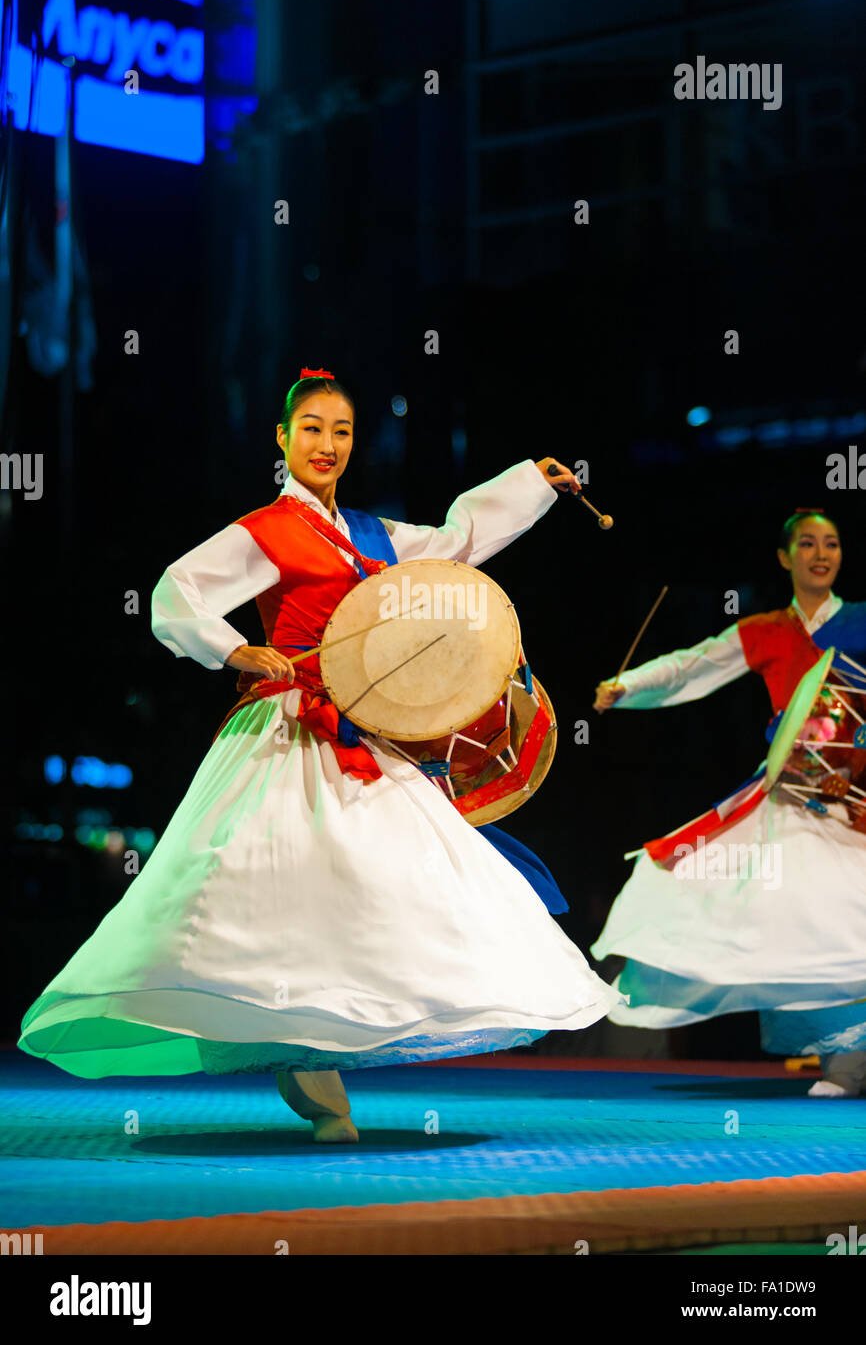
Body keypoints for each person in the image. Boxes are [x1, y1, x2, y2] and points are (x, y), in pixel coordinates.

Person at [19, 367, 625, 1141]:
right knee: (283, 898)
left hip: (364, 730)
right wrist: (236, 649)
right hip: (291, 726)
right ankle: (305, 1062)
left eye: (340, 432)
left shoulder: (374, 536)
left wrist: (531, 485)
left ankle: (337, 1039)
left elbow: (452, 546)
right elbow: (177, 591)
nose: (327, 445)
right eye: (311, 429)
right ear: (282, 439)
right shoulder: (268, 530)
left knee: (396, 885)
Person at [591, 509, 866, 1097]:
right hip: (790, 796)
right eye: (808, 544)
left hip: (856, 796)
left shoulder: (864, 624)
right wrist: (629, 686)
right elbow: (696, 663)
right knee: (799, 920)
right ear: (784, 557)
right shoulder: (767, 629)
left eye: (833, 544)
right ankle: (842, 1060)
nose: (821, 554)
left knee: (848, 914)